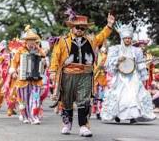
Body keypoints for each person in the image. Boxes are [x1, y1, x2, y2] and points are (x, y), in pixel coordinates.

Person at [49, 9, 115, 137]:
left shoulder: (90, 40)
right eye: (77, 27)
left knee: (84, 100)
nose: (80, 30)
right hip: (68, 74)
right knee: (66, 100)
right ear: (72, 27)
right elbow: (55, 57)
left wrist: (109, 25)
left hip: (85, 74)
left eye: (83, 28)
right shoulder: (62, 41)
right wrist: (52, 71)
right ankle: (67, 123)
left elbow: (101, 36)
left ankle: (83, 126)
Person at [101, 22, 156, 123]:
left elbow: (140, 64)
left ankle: (132, 116)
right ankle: (117, 114)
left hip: (134, 76)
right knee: (119, 95)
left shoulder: (137, 50)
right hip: (120, 77)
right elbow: (109, 65)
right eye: (126, 38)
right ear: (122, 39)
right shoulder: (115, 49)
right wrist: (118, 60)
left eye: (129, 38)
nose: (128, 39)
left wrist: (144, 76)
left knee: (133, 95)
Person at [9, 25, 46, 124]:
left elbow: (44, 60)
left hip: (36, 80)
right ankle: (25, 116)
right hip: (23, 80)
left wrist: (43, 63)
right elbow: (14, 63)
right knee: (23, 101)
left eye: (33, 40)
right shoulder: (20, 51)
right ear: (26, 41)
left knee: (36, 99)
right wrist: (13, 72)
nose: (32, 42)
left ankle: (34, 117)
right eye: (29, 40)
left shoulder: (39, 51)